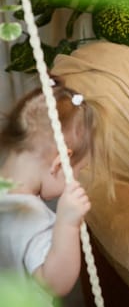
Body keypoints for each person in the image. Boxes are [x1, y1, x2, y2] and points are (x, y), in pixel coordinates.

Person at [0, 82, 102, 305]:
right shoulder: (33, 217)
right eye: (78, 170)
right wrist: (67, 225)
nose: (76, 179)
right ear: (59, 164)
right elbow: (55, 283)